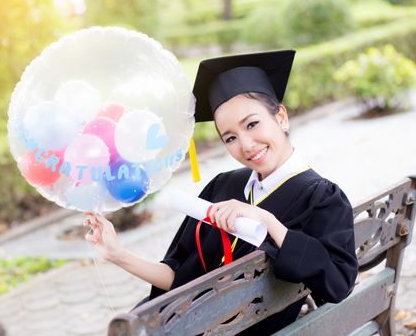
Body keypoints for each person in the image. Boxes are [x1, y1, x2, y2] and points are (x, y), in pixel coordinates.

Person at [83, 50, 359, 335]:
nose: (247, 145)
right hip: (192, 321)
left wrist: (267, 221)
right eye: (230, 137)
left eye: (252, 124)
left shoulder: (320, 198)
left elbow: (339, 283)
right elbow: (179, 279)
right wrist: (117, 254)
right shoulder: (222, 187)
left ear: (281, 117)